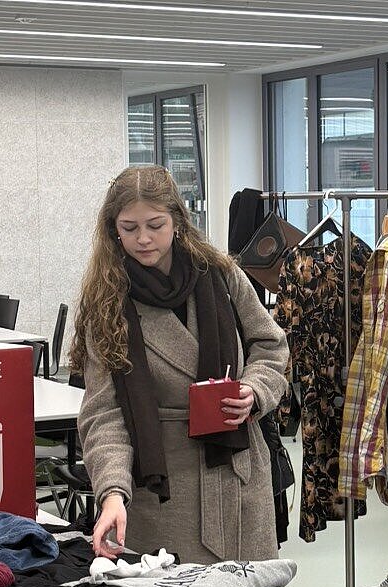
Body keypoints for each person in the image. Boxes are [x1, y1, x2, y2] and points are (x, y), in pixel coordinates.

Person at [69, 166, 289, 563]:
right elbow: (104, 414)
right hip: (162, 489)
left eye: (155, 225)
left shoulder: (221, 274)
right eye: (129, 228)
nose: (143, 238)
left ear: (177, 220)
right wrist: (113, 493)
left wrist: (254, 390)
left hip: (237, 472)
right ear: (113, 230)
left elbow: (270, 345)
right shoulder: (107, 303)